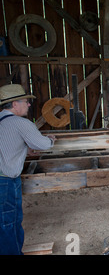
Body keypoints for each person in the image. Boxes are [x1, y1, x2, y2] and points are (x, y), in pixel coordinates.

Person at [0, 84, 56, 255]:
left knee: (7, 222)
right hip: (5, 182)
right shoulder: (20, 123)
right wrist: (51, 139)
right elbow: (43, 144)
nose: (29, 105)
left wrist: (24, 148)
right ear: (15, 104)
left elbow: (7, 146)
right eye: (26, 102)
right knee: (9, 222)